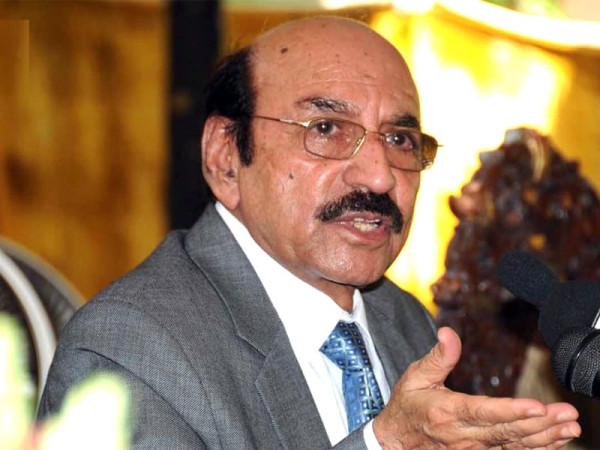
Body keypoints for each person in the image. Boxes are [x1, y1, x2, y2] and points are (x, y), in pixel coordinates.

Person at [38, 17, 581, 449]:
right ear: (226, 157)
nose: (378, 176)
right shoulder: (129, 347)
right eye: (326, 129)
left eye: (399, 139)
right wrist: (384, 444)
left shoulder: (402, 318)